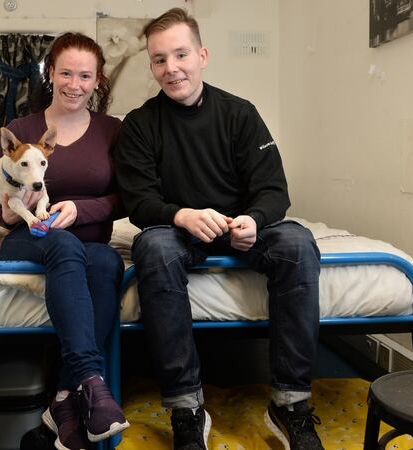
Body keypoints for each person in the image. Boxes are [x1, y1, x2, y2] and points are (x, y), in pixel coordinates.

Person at [114, 8, 324, 450]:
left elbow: (273, 189)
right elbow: (138, 202)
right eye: (158, 59)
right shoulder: (139, 125)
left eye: (180, 54)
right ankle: (187, 408)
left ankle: (289, 403)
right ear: (151, 66)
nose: (171, 68)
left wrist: (256, 219)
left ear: (203, 55)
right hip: (177, 231)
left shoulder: (240, 114)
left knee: (297, 243)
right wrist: (180, 215)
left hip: (240, 226)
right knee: (152, 248)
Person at [0, 32, 129, 450]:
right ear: (50, 73)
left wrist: (81, 210)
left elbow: (128, 198)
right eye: (65, 73)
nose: (74, 84)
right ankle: (92, 382)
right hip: (29, 240)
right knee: (64, 245)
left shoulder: (113, 130)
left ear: (98, 81)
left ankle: (62, 397)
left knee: (109, 264)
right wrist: (1, 213)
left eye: (85, 75)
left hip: (92, 244)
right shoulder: (21, 129)